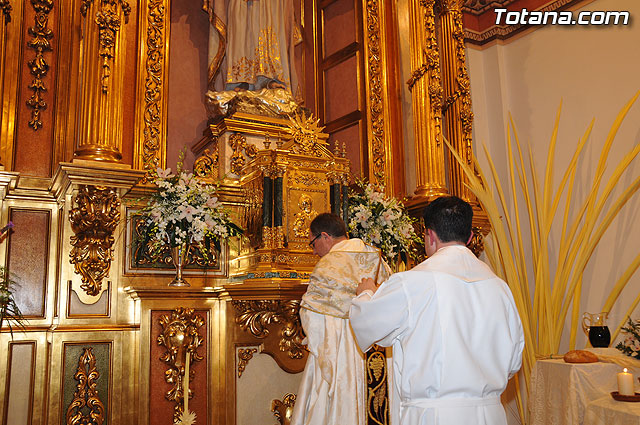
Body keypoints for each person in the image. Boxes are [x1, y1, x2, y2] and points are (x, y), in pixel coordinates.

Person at [349, 196, 524, 425]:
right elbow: (513, 363)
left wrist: (366, 293)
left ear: (430, 236)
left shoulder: (412, 283)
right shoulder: (500, 287)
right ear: (470, 237)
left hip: (434, 416)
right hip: (490, 414)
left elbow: (368, 324)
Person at [290, 213, 390, 425]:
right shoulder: (377, 258)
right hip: (375, 350)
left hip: (339, 351)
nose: (314, 250)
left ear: (325, 236)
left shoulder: (327, 266)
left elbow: (311, 317)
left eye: (313, 243)